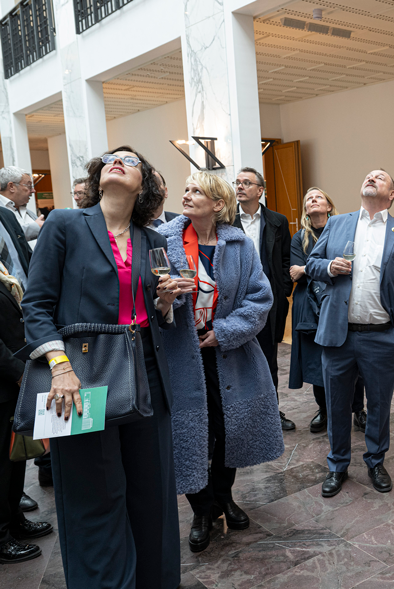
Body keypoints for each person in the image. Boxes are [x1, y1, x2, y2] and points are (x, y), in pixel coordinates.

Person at [19, 146, 181, 588]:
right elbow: (35, 306)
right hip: (81, 375)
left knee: (153, 496)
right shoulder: (66, 224)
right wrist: (59, 365)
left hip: (146, 369)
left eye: (129, 160)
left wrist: (165, 303)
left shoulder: (154, 240)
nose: (116, 160)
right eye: (110, 156)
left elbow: (158, 313)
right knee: (94, 496)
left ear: (144, 182)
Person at [157, 171, 285, 553]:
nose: (187, 195)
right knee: (192, 433)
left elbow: (260, 298)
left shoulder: (240, 245)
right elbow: (151, 298)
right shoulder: (163, 241)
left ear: (217, 204)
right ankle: (201, 510)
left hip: (227, 351)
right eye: (186, 189)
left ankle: (223, 497)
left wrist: (225, 331)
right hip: (182, 354)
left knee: (229, 429)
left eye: (197, 191)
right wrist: (163, 299)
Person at [305, 169, 394, 497]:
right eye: (369, 175)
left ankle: (375, 460)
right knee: (337, 403)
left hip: (382, 336)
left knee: (379, 404)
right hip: (338, 335)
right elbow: (311, 264)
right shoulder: (338, 223)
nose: (371, 177)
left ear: (391, 194)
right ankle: (337, 465)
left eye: (380, 177)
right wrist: (329, 267)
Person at [289, 187, 367, 434]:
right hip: (309, 307)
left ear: (329, 206)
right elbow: (295, 274)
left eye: (318, 197)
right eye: (308, 198)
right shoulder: (299, 237)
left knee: (351, 357)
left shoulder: (345, 232)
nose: (313, 199)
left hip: (340, 302)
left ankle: (358, 409)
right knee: (317, 362)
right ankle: (323, 409)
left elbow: (351, 265)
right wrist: (316, 269)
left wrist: (309, 267)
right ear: (305, 209)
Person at [0, 222, 52, 564]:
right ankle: (2, 536)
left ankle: (13, 520)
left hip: (11, 381)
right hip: (5, 379)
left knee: (14, 459)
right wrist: (18, 374)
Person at [232, 167, 295, 431]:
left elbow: (285, 259)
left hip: (269, 301)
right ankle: (241, 416)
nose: (240, 186)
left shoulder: (277, 221)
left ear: (260, 190)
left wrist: (282, 288)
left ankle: (271, 412)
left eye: (247, 182)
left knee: (268, 358)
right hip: (235, 301)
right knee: (236, 359)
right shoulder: (225, 221)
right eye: (237, 182)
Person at [0, 166, 42, 246]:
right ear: (11, 187)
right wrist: (36, 228)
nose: (33, 190)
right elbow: (5, 238)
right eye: (29, 186)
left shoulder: (27, 211)